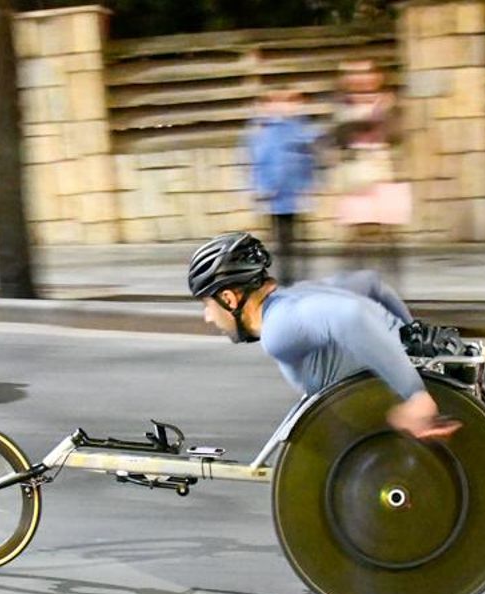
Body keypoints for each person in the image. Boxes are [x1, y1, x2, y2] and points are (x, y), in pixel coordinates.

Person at [187, 231, 456, 440]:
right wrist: (412, 334)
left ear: (229, 299)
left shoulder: (277, 329)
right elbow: (371, 284)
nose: (208, 316)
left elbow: (351, 315)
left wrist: (415, 396)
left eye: (207, 305)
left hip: (372, 414)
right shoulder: (299, 293)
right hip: (397, 376)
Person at [330, 59, 410, 288]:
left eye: (366, 73)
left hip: (383, 170)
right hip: (353, 173)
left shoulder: (389, 103)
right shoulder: (342, 105)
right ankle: (353, 287)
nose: (361, 78)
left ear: (377, 76)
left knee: (387, 236)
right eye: (354, 73)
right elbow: (339, 138)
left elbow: (396, 136)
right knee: (355, 236)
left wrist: (379, 115)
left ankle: (391, 289)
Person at [244, 89, 318, 284]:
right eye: (276, 101)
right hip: (273, 193)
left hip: (294, 191)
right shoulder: (262, 128)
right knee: (280, 239)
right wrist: (257, 186)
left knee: (297, 240)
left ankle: (298, 278)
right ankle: (284, 279)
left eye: (289, 101)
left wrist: (309, 184)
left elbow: (309, 156)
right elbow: (254, 159)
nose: (282, 106)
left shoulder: (300, 126)